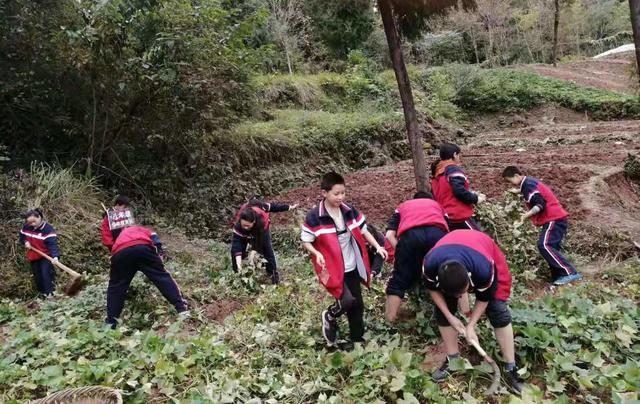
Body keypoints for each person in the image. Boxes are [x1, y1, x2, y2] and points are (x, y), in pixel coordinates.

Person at [423, 230, 523, 394]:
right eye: (457, 295)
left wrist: (471, 326)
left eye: (463, 292)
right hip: (448, 249)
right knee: (443, 312)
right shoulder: (430, 264)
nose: (460, 297)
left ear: (469, 277)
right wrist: (450, 316)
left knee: (498, 310)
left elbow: (484, 298)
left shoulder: (483, 268)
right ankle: (453, 359)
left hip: (481, 248)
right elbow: (432, 290)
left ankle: (511, 366)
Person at [301, 172, 388, 348]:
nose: (340, 197)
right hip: (332, 267)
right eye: (336, 194)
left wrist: (378, 247)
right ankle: (330, 315)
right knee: (347, 301)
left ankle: (357, 341)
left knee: (357, 304)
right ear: (324, 193)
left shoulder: (348, 211)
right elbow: (306, 240)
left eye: (343, 193)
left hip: (351, 264)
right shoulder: (314, 216)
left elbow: (363, 230)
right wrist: (317, 253)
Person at [502, 166, 582, 285]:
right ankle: (557, 279)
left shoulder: (527, 185)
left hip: (554, 219)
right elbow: (535, 191)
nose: (511, 184)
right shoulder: (528, 182)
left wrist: (525, 216)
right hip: (558, 218)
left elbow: (540, 205)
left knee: (544, 245)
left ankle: (570, 273)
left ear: (516, 176)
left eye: (510, 181)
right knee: (552, 248)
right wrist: (518, 191)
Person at [384, 191, 449, 322]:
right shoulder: (438, 206)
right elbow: (449, 231)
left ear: (413, 200)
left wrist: (402, 252)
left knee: (399, 280)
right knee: (447, 274)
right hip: (437, 234)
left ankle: (389, 321)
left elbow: (389, 235)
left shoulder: (403, 207)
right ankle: (464, 313)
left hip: (411, 236)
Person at [106, 225, 188, 328]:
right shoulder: (144, 229)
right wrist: (159, 256)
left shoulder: (120, 236)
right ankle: (181, 309)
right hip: (142, 247)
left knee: (116, 288)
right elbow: (156, 241)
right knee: (162, 278)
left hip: (120, 252)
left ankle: (110, 324)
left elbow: (109, 243)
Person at [231, 199, 298, 284]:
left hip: (262, 231)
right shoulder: (238, 223)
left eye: (248, 225)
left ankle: (273, 275)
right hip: (245, 230)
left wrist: (289, 207)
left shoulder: (261, 218)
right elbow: (236, 244)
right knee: (235, 253)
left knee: (266, 250)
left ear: (253, 222)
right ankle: (238, 275)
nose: (246, 227)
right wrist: (238, 264)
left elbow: (274, 207)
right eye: (244, 225)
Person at [431, 143, 486, 230]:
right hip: (458, 216)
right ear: (454, 155)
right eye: (459, 155)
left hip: (445, 216)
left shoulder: (438, 172)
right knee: (479, 239)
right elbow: (459, 191)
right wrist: (476, 199)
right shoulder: (452, 169)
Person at [19, 209, 59, 297]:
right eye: (30, 222)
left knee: (46, 275)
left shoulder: (48, 230)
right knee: (38, 277)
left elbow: (53, 244)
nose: (32, 224)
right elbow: (22, 237)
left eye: (34, 221)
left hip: (46, 256)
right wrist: (25, 242)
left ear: (40, 217)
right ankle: (42, 295)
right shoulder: (26, 227)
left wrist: (55, 256)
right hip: (33, 255)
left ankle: (50, 295)